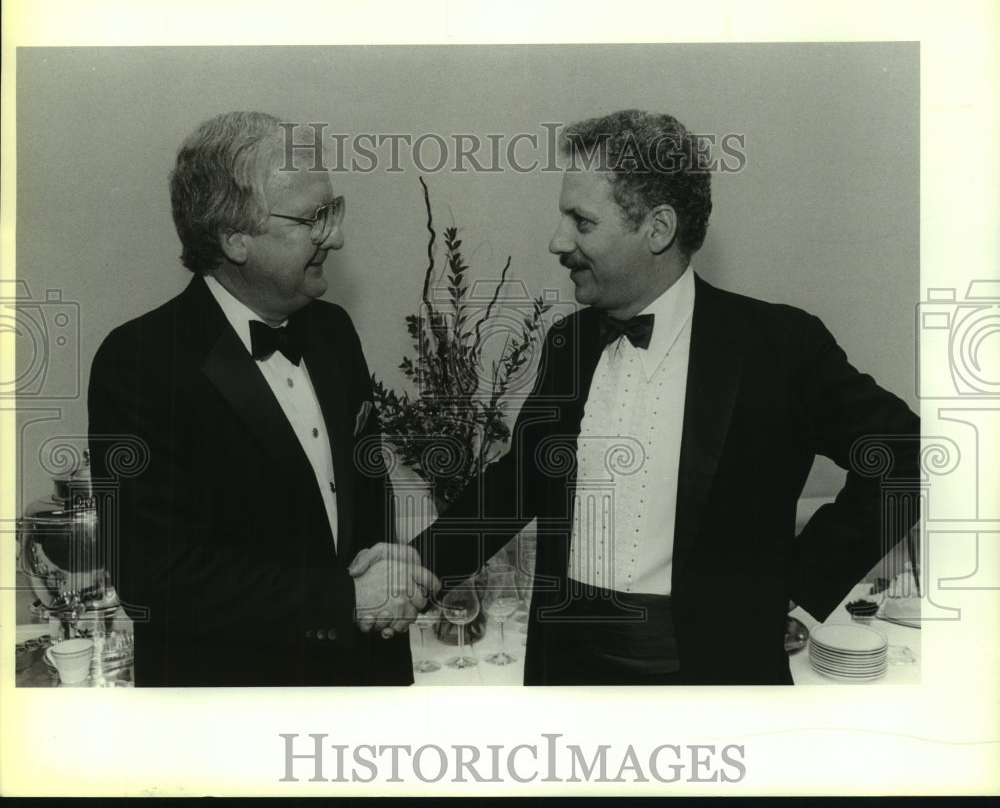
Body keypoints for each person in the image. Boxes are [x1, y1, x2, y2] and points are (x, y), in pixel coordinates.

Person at [385, 108, 921, 685]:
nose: (556, 241)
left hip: (712, 673)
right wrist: (416, 565)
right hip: (567, 666)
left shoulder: (778, 346)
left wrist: (795, 586)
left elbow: (904, 454)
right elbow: (520, 481)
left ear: (658, 229)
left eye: (581, 222)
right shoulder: (569, 341)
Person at [88, 112, 437, 687]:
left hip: (361, 686)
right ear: (234, 239)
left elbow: (363, 503)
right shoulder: (139, 362)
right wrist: (342, 597)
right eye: (312, 218)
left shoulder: (332, 332)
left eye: (333, 209)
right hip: (230, 708)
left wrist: (387, 580)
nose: (337, 235)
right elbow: (155, 575)